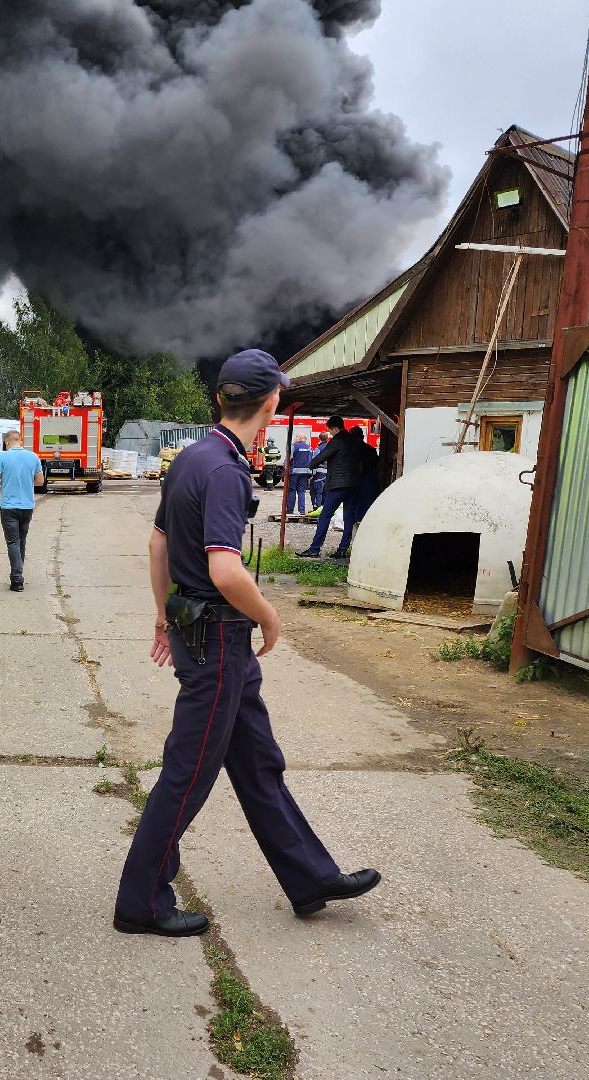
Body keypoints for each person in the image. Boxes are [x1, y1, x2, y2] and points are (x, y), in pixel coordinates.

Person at [113, 349, 380, 937]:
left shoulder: (190, 458)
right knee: (187, 773)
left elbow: (159, 545)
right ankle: (141, 901)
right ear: (270, 402)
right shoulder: (227, 470)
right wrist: (269, 617)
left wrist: (163, 619)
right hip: (219, 638)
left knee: (259, 763)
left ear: (220, 399)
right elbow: (226, 570)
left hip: (199, 633)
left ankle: (310, 878)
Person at [297, 416, 363, 559]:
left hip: (339, 485)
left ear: (335, 428)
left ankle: (314, 549)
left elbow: (321, 457)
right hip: (354, 484)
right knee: (348, 518)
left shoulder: (337, 440)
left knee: (325, 516)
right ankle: (342, 550)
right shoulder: (353, 440)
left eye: (330, 431)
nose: (330, 434)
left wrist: (311, 464)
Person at [0, 430, 43, 591]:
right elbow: (40, 482)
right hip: (27, 506)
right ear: (20, 441)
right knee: (22, 540)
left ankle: (17, 579)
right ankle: (18, 573)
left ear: (6, 442)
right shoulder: (33, 457)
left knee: (12, 542)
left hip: (8, 506)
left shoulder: (2, 457)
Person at [347, 426, 381, 530]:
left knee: (354, 509)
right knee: (368, 509)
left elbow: (358, 468)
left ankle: (353, 535)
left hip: (359, 483)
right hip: (371, 483)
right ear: (362, 436)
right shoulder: (371, 449)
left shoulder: (352, 450)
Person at [285, 438, 313, 516]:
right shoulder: (309, 447)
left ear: (300, 438)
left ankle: (290, 510)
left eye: (296, 437)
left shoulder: (294, 446)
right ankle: (302, 511)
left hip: (295, 472)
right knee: (301, 491)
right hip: (305, 471)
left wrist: (286, 470)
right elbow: (312, 459)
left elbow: (288, 458)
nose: (294, 439)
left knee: (292, 490)